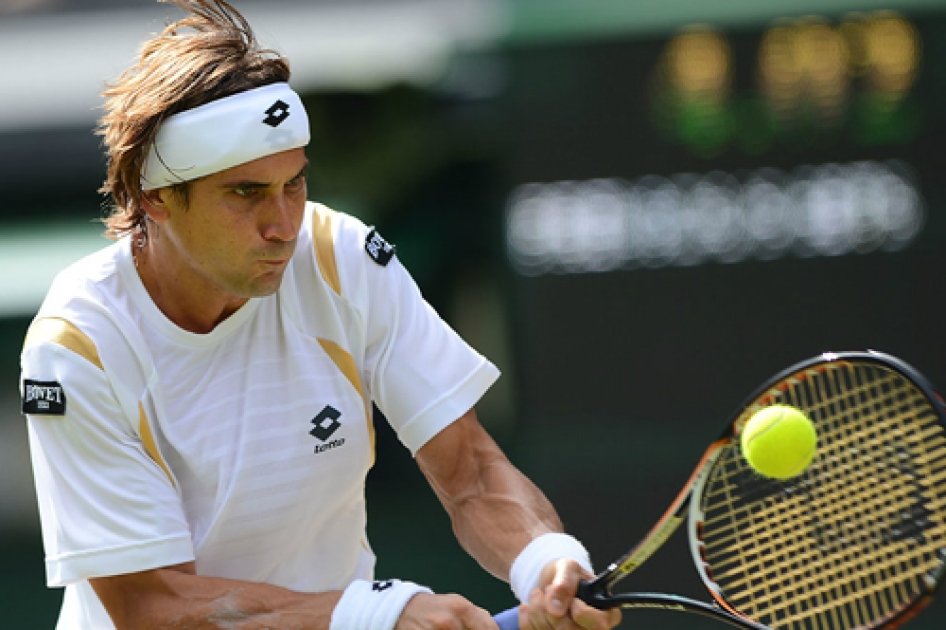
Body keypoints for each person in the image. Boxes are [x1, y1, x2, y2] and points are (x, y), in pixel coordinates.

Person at [20, 2, 622, 630]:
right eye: (245, 194)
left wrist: (544, 562)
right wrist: (374, 614)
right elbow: (152, 604)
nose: (283, 226)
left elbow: (468, 468)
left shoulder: (340, 260)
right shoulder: (78, 344)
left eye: (294, 184)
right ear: (158, 199)